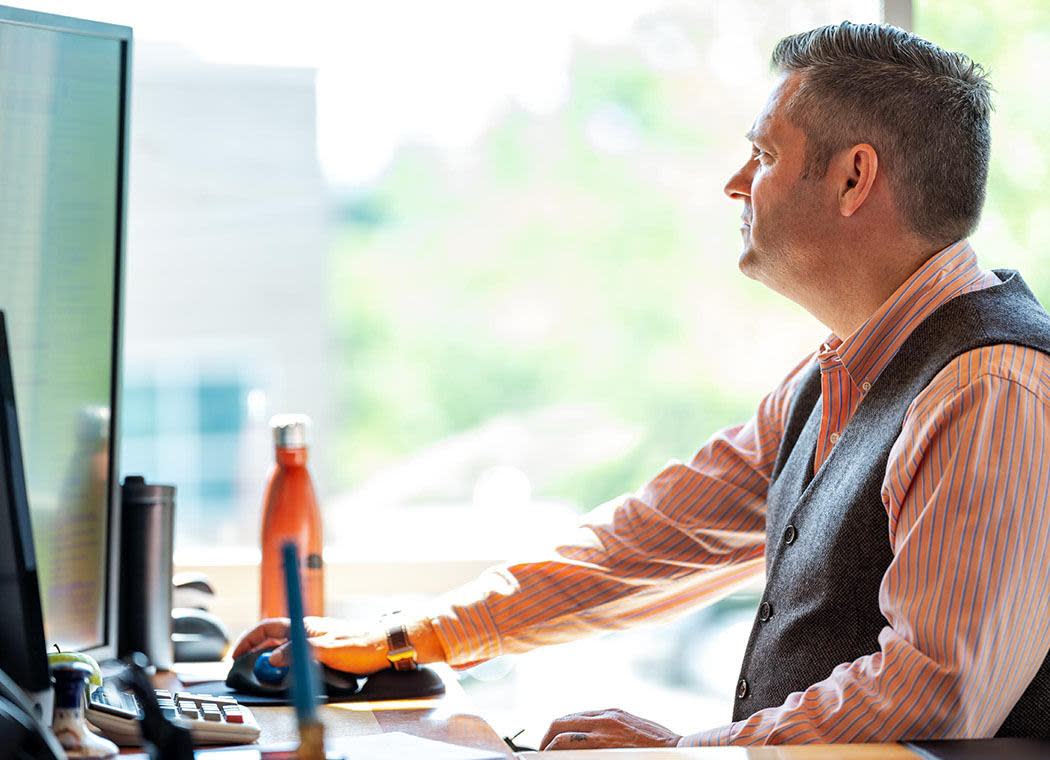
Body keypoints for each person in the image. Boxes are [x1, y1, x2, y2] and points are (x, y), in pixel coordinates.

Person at [233, 21, 1050, 748]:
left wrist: (683, 754)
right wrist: (410, 637)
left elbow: (936, 700)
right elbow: (652, 538)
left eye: (764, 155)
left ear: (852, 178)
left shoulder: (991, 390)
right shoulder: (843, 369)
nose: (736, 182)